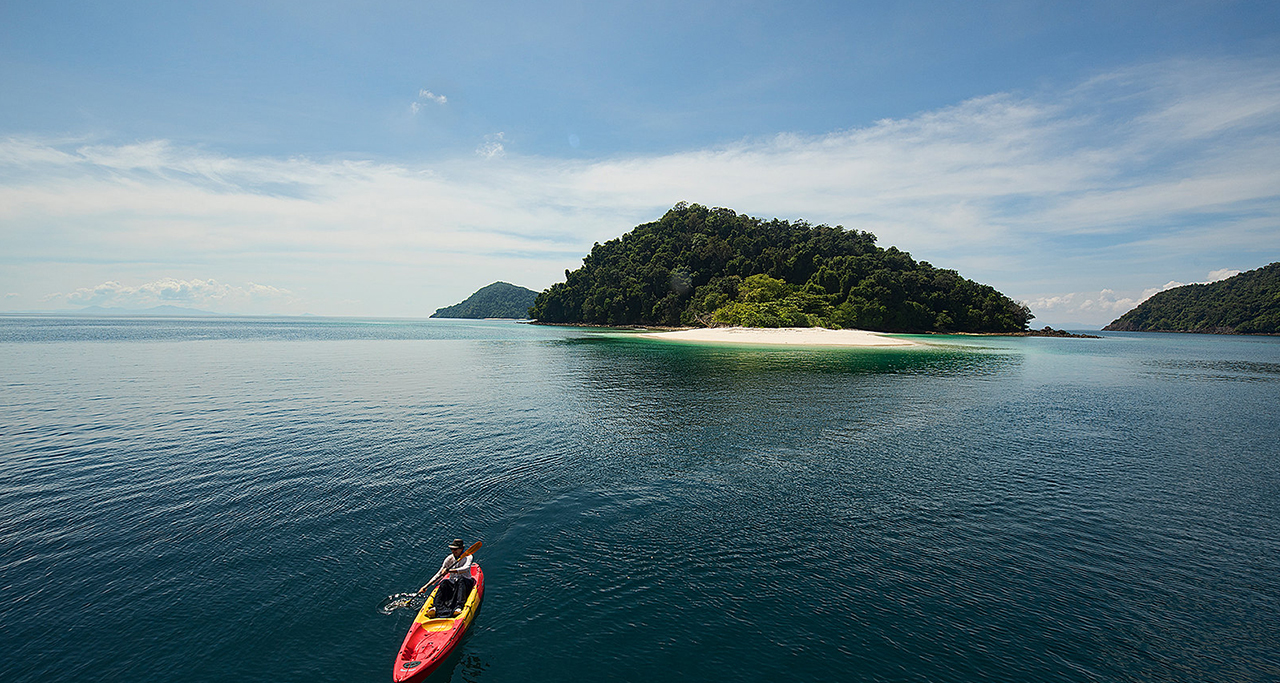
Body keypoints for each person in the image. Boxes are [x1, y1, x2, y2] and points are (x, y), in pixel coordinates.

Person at [419, 538, 475, 617]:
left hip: (465, 583)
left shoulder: (468, 557)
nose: (453, 551)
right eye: (452, 549)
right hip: (453, 583)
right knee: (444, 582)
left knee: (461, 580)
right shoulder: (449, 559)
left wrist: (450, 571)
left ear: (461, 549)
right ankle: (436, 607)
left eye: (455, 549)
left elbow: (465, 568)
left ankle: (459, 607)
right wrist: (426, 586)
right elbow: (439, 573)